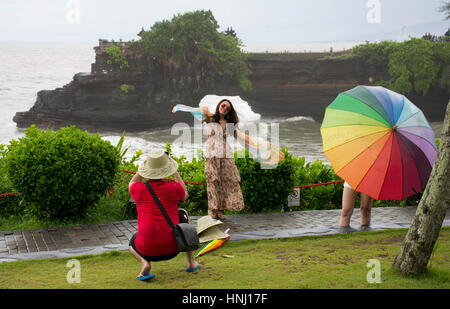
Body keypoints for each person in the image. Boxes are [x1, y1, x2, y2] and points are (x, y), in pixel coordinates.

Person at [128, 149, 199, 281]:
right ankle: (191, 262)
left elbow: (131, 183)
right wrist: (174, 171)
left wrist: (143, 168)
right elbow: (185, 194)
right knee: (183, 214)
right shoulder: (174, 188)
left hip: (146, 250)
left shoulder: (138, 189)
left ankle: (145, 263)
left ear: (147, 170)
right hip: (174, 248)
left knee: (132, 242)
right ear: (167, 170)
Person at [173, 99, 245, 220]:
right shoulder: (210, 118)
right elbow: (196, 110)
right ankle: (211, 210)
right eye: (223, 105)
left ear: (230, 111)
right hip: (211, 154)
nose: (225, 108)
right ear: (219, 106)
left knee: (223, 182)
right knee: (212, 181)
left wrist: (258, 146)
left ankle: (219, 210)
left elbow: (241, 137)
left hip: (225, 155)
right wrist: (180, 107)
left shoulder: (229, 123)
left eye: (228, 108)